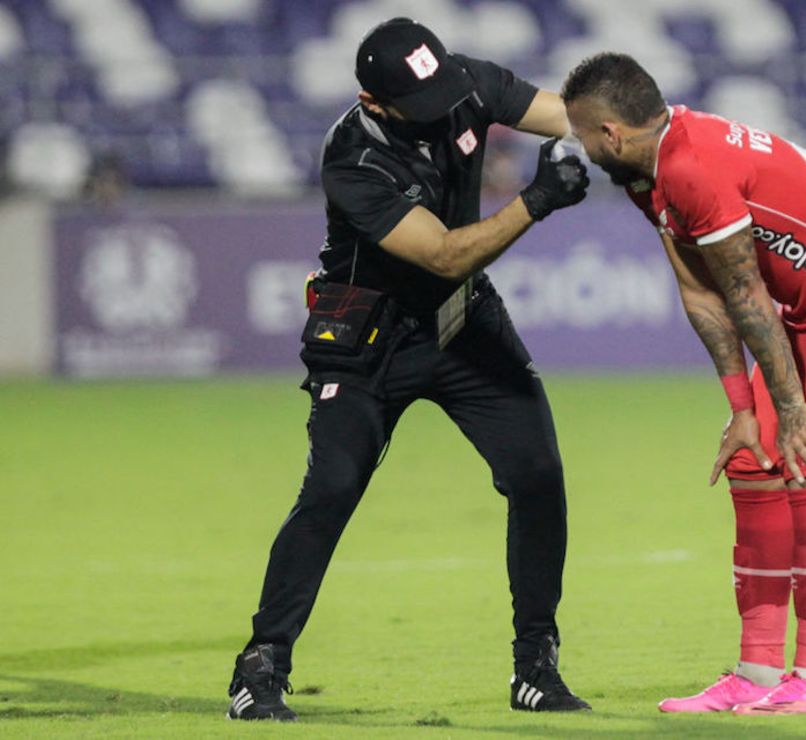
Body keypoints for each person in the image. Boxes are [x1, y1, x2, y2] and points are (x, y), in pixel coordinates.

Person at [226, 18, 592, 721]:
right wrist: (538, 198)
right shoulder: (352, 156)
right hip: (367, 335)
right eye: (418, 104)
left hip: (461, 319)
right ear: (375, 103)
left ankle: (536, 668)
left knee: (538, 473)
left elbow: (572, 115)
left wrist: (641, 129)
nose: (440, 108)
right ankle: (260, 664)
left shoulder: (461, 82)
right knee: (331, 487)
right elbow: (446, 253)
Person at [562, 53, 806, 715]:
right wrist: (742, 408)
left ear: (611, 134)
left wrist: (790, 409)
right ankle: (757, 673)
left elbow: (746, 292)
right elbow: (702, 294)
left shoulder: (691, 167)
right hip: (804, 310)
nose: (582, 148)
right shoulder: (650, 178)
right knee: (749, 459)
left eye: (583, 134)